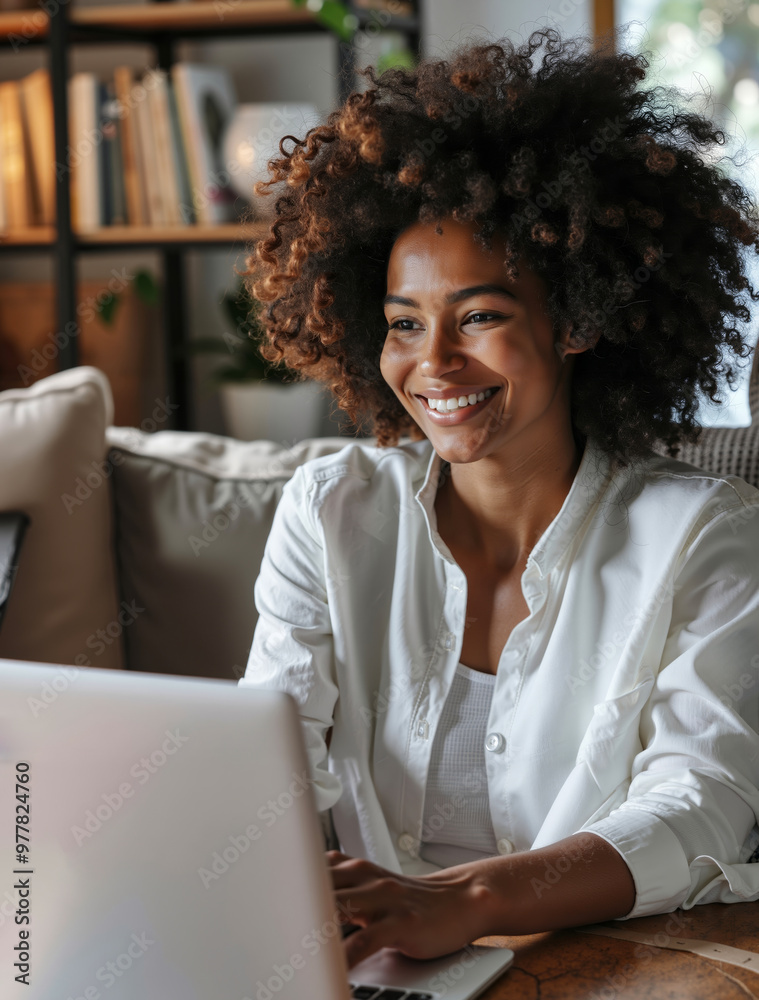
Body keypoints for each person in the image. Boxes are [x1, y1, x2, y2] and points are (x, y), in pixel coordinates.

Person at [239, 28, 759, 969]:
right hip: (370, 967)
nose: (433, 364)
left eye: (479, 315)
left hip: (603, 965)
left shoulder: (706, 536)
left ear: (576, 319)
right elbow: (258, 764)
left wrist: (468, 899)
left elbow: (702, 806)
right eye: (403, 324)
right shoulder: (331, 511)